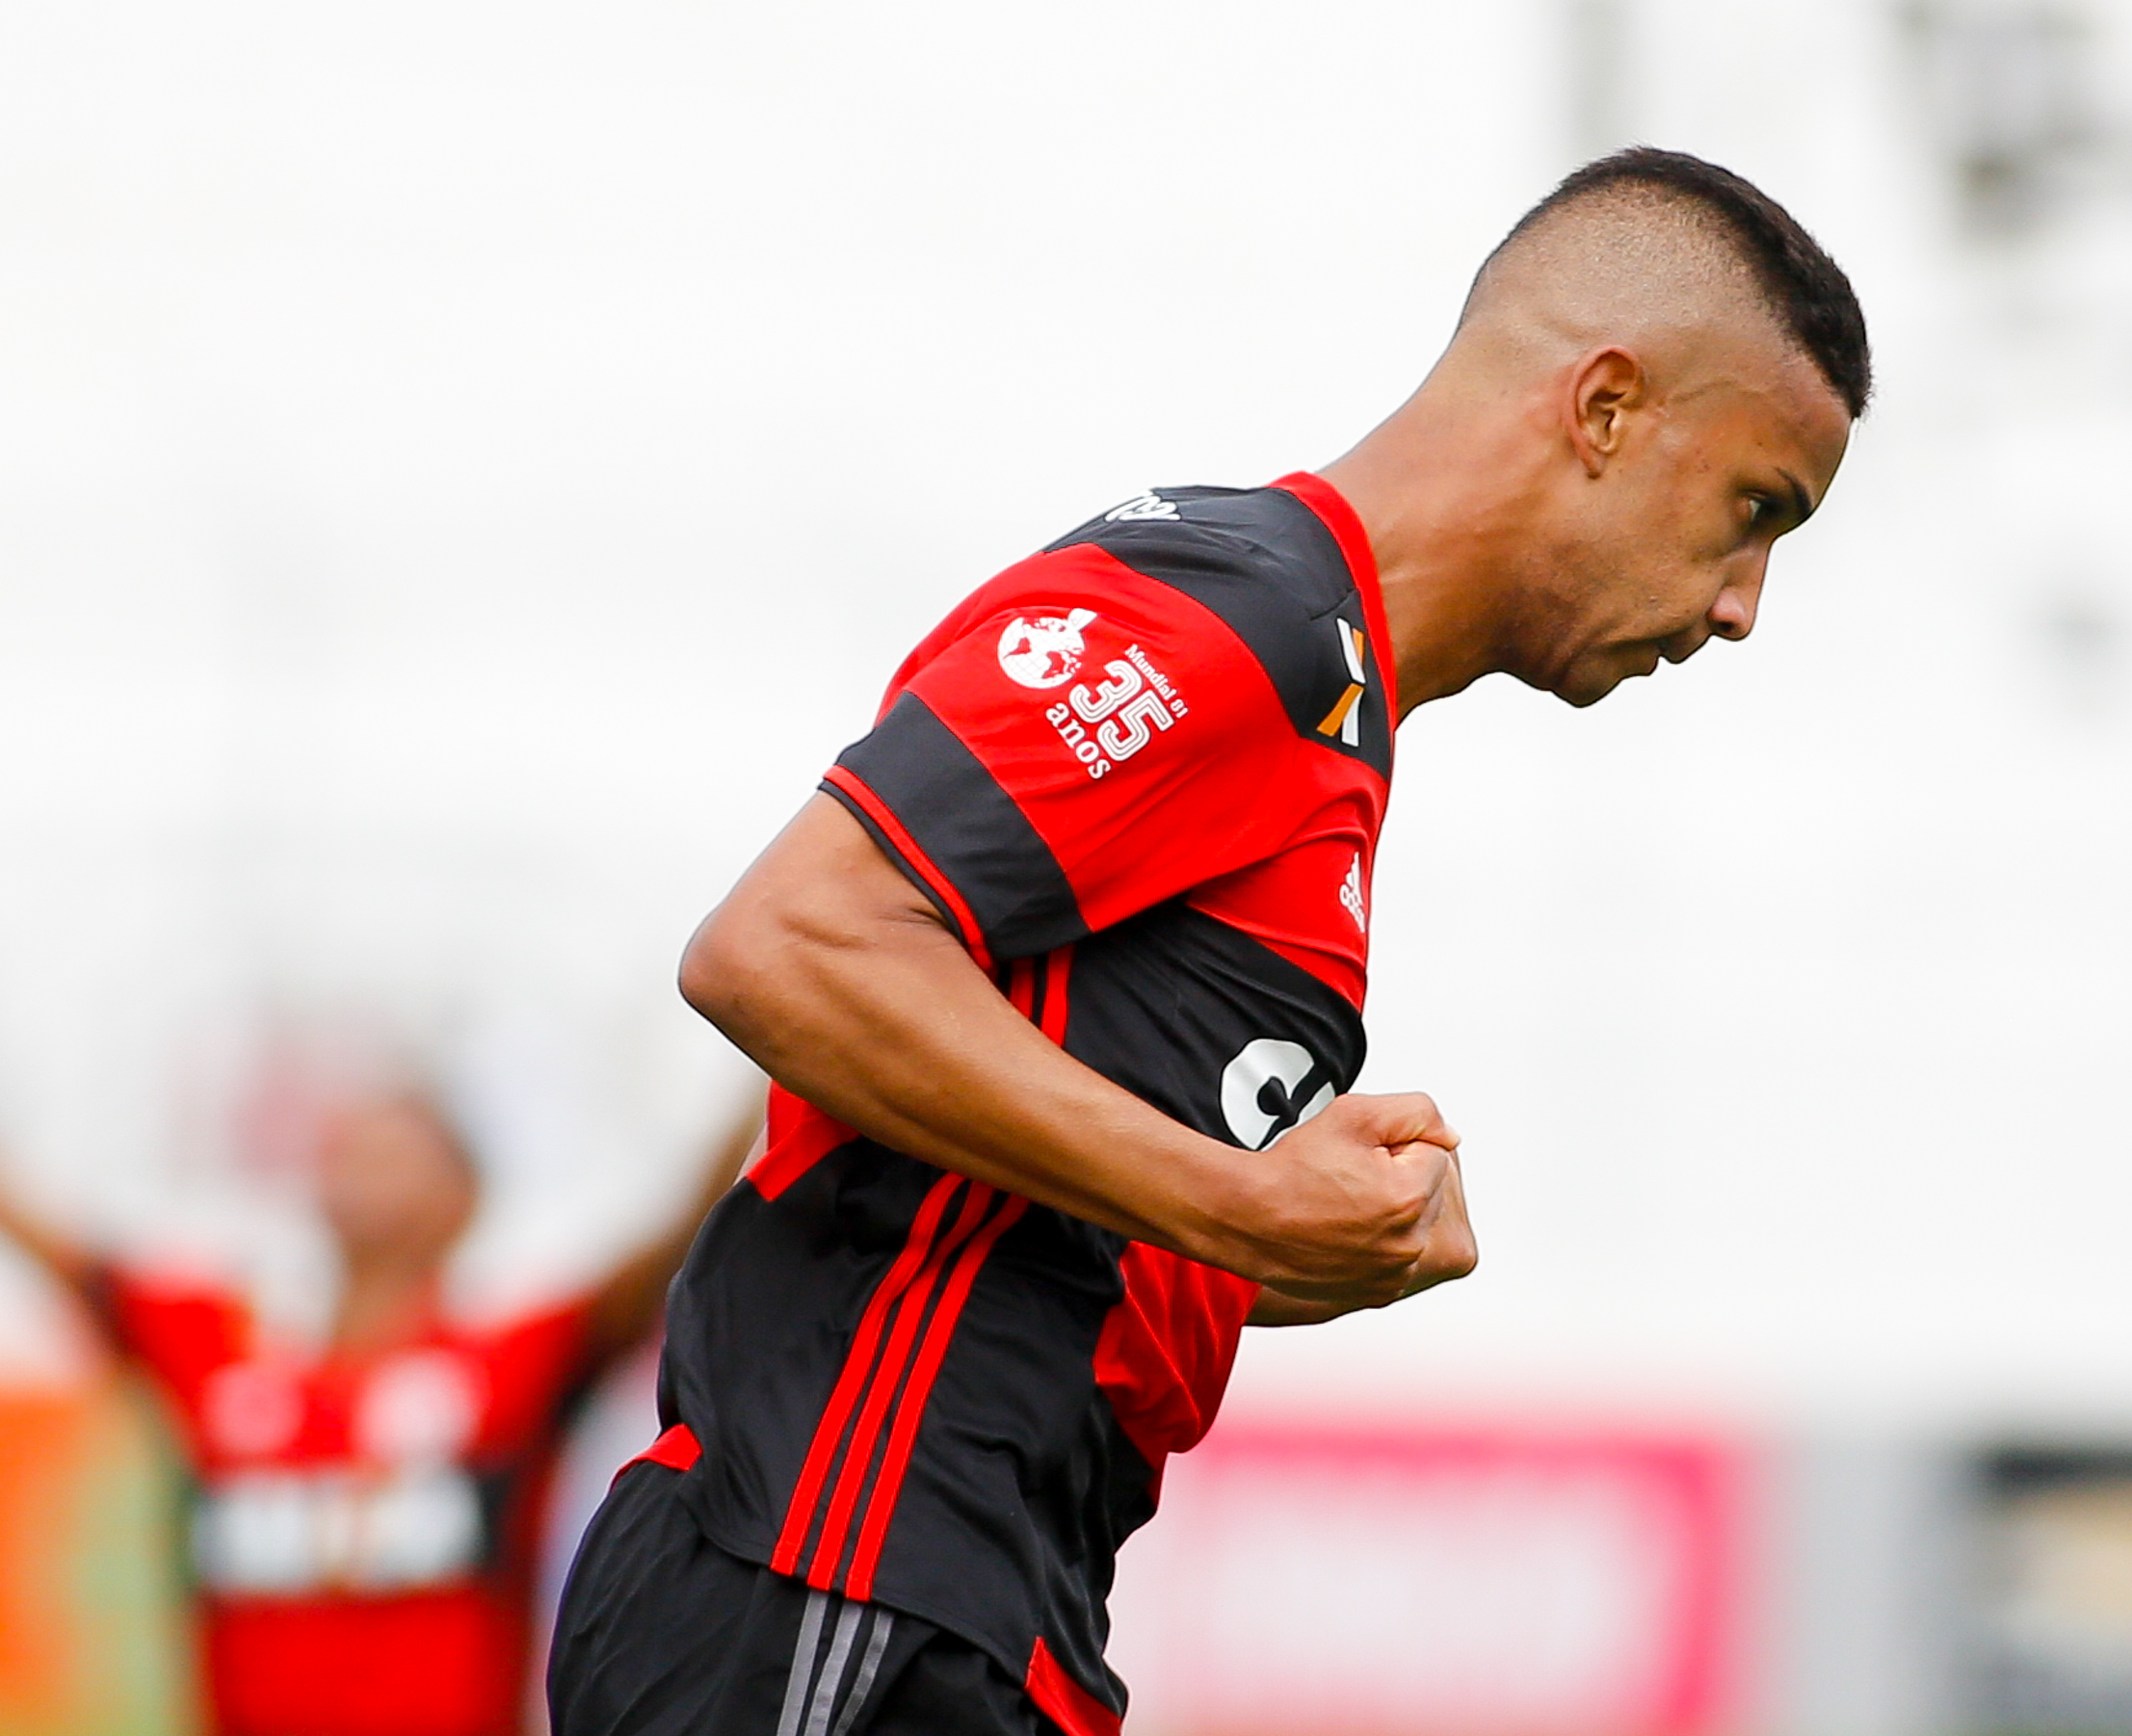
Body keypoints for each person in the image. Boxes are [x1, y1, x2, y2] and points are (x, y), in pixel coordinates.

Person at [549, 145, 1868, 1736]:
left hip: (974, 1598)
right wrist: (1237, 1196)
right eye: (1753, 509)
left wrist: (1294, 1241)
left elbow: (1021, 1209)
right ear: (1605, 410)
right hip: (836, 1572)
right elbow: (786, 944)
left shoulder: (1334, 703)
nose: (1743, 604)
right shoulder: (1233, 617)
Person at [0, 1070, 757, 1736]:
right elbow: (64, 1253)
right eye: (350, 1148)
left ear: (464, 1198)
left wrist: (763, 1078)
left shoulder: (511, 1360)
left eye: (396, 1153)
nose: (361, 1169)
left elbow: (679, 1242)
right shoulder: (217, 1351)